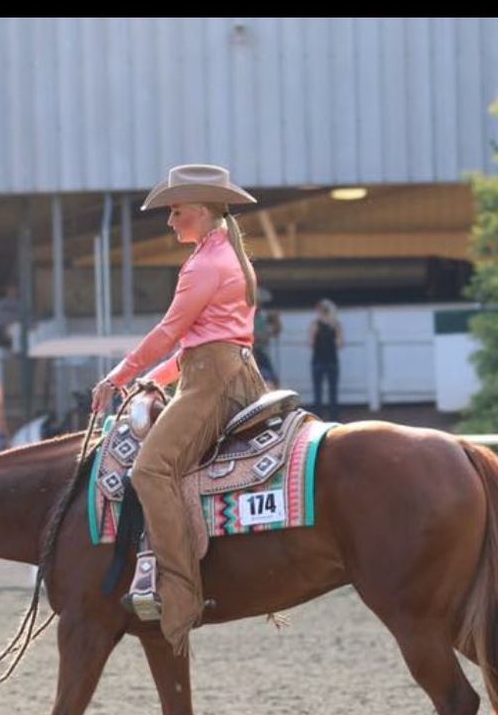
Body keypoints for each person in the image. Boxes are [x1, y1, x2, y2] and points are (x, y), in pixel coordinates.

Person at [91, 163, 267, 656]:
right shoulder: (226, 255)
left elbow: (172, 333)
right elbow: (201, 342)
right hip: (221, 372)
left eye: (176, 211)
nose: (170, 221)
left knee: (150, 470)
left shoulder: (205, 265)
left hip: (213, 383)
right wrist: (155, 377)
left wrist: (117, 376)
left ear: (204, 210)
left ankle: (179, 592)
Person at [310, 299, 344, 421]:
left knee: (329, 392)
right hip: (322, 361)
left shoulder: (335, 325)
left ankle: (331, 418)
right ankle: (323, 417)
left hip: (327, 361)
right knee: (322, 392)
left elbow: (340, 343)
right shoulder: (316, 324)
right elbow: (312, 342)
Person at [253, 287, 281, 385]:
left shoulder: (263, 316)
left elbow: (276, 331)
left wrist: (276, 320)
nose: (260, 305)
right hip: (253, 353)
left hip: (262, 351)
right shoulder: (249, 317)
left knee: (272, 378)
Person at [0, 284, 22, 349]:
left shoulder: (22, 305)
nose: (12, 291)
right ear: (7, 290)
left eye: (14, 289)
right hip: (1, 332)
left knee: (16, 329)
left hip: (18, 333)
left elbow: (29, 320)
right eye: (10, 289)